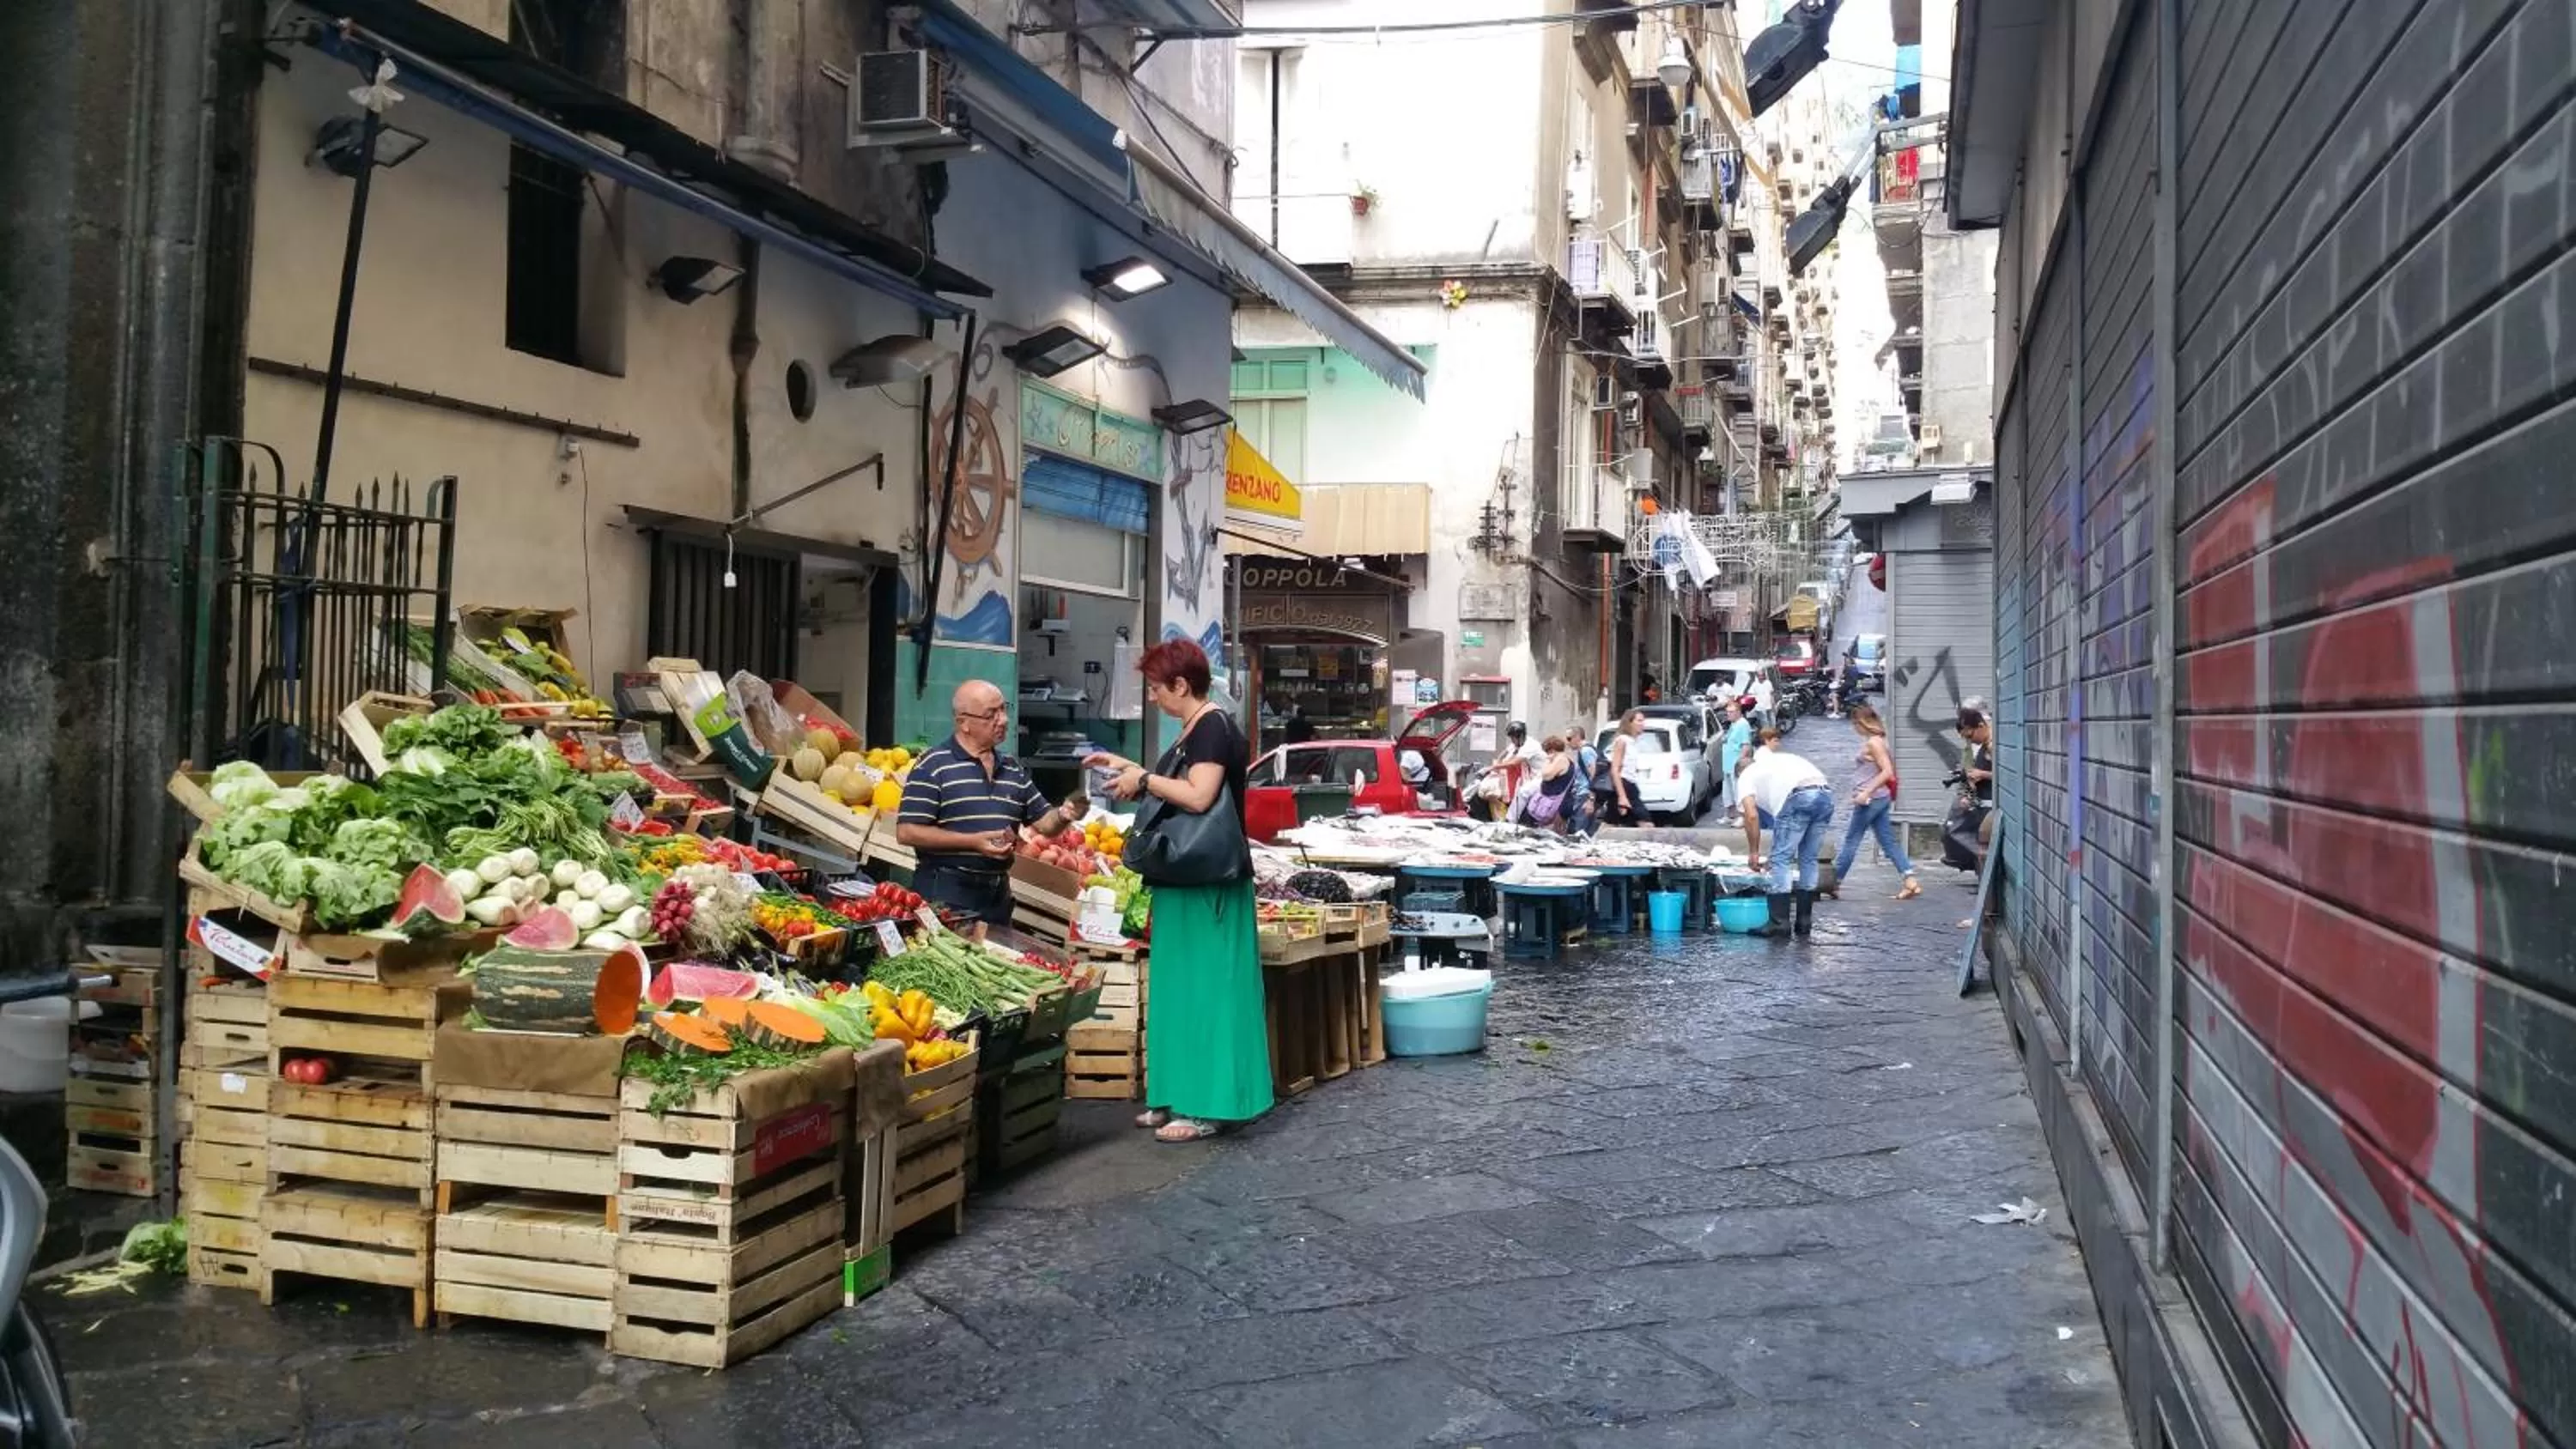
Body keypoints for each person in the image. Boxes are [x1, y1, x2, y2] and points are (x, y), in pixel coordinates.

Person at [1083, 640, 1271, 1143]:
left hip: (1209, 880)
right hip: (1182, 878)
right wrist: (1127, 767)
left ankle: (1207, 1107)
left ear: (1181, 685)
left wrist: (1144, 779)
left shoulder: (1212, 726)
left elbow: (1199, 796)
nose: (1152, 698)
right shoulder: (1192, 729)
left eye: (1155, 688)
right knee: (1177, 990)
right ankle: (1173, 1095)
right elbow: (1172, 784)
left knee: (1207, 992)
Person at [896, 681, 1088, 927]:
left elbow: (1044, 824)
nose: (1004, 720)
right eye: (991, 715)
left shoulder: (1011, 767)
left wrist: (1064, 814)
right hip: (946, 892)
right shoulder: (933, 766)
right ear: (964, 723)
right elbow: (907, 831)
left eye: (1003, 709)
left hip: (997, 896)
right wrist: (973, 842)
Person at [1736, 727, 1832, 939]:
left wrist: (1754, 852)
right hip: (1825, 794)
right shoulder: (1774, 764)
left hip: (1798, 796)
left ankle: (1779, 923)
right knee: (1808, 858)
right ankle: (1804, 921)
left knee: (1781, 860)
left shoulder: (1745, 776)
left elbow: (1751, 816)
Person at [1832, 703, 1920, 900]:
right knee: (1887, 840)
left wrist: (1866, 792)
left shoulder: (1874, 743)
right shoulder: (1879, 740)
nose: (1855, 728)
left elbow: (1887, 771)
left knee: (1852, 840)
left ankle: (1834, 882)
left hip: (1871, 799)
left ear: (1862, 723)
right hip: (1880, 798)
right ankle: (1909, 879)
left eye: (1855, 723)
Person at [1601, 709, 1645, 825]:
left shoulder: (1632, 742)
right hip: (1623, 785)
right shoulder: (1622, 741)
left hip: (1631, 785)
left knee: (1613, 823)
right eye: (1639, 721)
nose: (1643, 724)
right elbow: (1615, 770)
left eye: (1643, 721)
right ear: (1629, 723)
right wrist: (1622, 796)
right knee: (1645, 822)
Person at [1567, 722, 1604, 835]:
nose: (1567, 742)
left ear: (1577, 737)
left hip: (1585, 794)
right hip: (1584, 794)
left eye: (1569, 738)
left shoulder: (1586, 751)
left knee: (1581, 831)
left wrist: (1591, 800)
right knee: (1582, 830)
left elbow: (1593, 775)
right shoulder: (1586, 750)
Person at [1717, 700, 1755, 809]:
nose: (1728, 714)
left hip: (1735, 763)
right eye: (1727, 712)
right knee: (1729, 791)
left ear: (1738, 712)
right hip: (1728, 764)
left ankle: (1741, 813)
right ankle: (1731, 812)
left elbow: (1746, 745)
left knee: (1737, 790)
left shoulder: (1743, 724)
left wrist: (1740, 763)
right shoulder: (1734, 724)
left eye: (1731, 712)